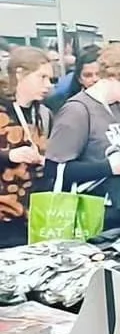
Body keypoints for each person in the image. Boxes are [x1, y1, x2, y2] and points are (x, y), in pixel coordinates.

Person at [43, 40, 120, 229]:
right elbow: (55, 169)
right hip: (89, 214)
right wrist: (107, 168)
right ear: (113, 76)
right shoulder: (77, 111)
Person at [0, 47, 52, 247]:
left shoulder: (43, 113)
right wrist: (10, 156)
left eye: (50, 79)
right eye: (42, 77)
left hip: (31, 214)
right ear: (20, 74)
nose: (48, 85)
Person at [44, 44, 100, 114]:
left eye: (99, 74)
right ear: (79, 79)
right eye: (88, 75)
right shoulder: (63, 102)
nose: (95, 79)